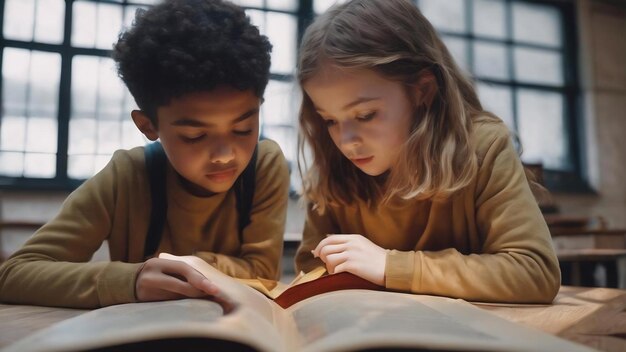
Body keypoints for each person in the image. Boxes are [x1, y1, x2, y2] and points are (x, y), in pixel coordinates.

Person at [0, 0, 289, 308]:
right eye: (196, 135)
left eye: (244, 129)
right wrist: (132, 280)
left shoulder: (264, 165)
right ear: (148, 126)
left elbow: (263, 273)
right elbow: (13, 274)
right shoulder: (127, 176)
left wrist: (193, 266)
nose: (223, 155)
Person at [294, 0, 560, 303]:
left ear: (422, 90)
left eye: (366, 114)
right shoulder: (333, 167)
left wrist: (391, 267)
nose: (346, 141)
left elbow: (535, 272)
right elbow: (310, 269)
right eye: (329, 120)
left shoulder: (483, 147)